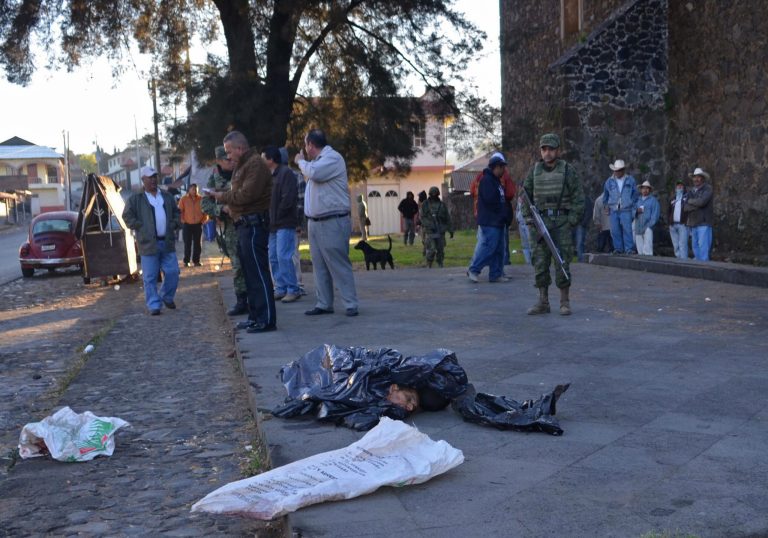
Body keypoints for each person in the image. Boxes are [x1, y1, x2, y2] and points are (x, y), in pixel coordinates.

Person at [207, 131, 276, 333]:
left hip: (254, 225)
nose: (228, 156)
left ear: (239, 148)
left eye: (229, 151)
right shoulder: (243, 166)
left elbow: (247, 194)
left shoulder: (255, 164)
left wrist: (222, 196)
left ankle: (267, 319)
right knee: (249, 275)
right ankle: (255, 316)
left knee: (258, 275)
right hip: (243, 225)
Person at [294, 129, 359, 317]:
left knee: (338, 263)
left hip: (332, 220)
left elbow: (314, 174)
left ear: (311, 145)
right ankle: (324, 303)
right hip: (315, 222)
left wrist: (300, 161)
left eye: (306, 145)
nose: (304, 150)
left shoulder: (332, 158)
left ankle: (350, 303)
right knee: (319, 265)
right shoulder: (317, 161)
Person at [522, 133, 584, 316]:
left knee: (562, 261)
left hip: (560, 224)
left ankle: (565, 302)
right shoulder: (534, 171)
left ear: (558, 150)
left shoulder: (567, 170)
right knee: (540, 263)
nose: (547, 153)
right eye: (544, 149)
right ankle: (543, 302)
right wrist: (528, 218)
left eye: (551, 149)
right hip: (539, 225)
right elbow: (524, 197)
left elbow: (579, 198)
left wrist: (571, 220)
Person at [123, 166, 181, 315]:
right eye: (150, 177)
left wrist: (174, 224)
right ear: (143, 179)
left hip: (167, 242)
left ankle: (166, 296)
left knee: (173, 272)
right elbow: (127, 216)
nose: (153, 179)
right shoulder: (136, 198)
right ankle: (154, 305)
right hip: (148, 244)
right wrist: (140, 227)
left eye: (155, 176)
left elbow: (176, 213)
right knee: (149, 277)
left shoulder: (167, 196)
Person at [201, 146, 247, 315]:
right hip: (230, 229)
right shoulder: (214, 179)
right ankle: (242, 300)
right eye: (227, 159)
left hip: (248, 222)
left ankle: (256, 298)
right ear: (219, 161)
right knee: (237, 265)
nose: (231, 161)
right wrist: (221, 210)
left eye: (232, 158)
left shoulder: (242, 173)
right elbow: (205, 204)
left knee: (252, 263)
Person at [261, 145, 301, 303]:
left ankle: (293, 288)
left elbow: (288, 198)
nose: (261, 160)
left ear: (271, 159)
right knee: (273, 257)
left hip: (284, 222)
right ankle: (281, 287)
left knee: (283, 256)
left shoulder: (286, 174)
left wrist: (278, 215)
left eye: (263, 157)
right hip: (273, 225)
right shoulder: (270, 176)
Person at [467, 152, 511, 282]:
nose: (504, 170)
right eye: (502, 167)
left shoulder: (496, 182)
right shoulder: (487, 181)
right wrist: (502, 213)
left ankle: (496, 274)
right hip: (490, 221)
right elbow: (491, 201)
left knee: (499, 249)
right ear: (496, 167)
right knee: (489, 248)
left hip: (498, 221)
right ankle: (474, 269)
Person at [602, 159, 638, 254]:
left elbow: (635, 195)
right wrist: (606, 206)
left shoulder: (630, 180)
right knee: (615, 230)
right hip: (613, 209)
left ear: (623, 170)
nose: (617, 172)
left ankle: (629, 249)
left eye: (619, 170)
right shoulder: (609, 182)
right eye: (616, 170)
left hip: (626, 208)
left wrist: (632, 206)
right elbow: (605, 195)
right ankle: (618, 249)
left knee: (627, 230)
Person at [420, 186, 454, 268]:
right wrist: (429, 225)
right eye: (432, 194)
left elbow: (447, 218)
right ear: (430, 194)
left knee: (440, 249)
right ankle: (429, 262)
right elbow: (422, 217)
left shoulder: (442, 205)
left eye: (435, 194)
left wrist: (450, 230)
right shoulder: (425, 204)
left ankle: (440, 263)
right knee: (431, 248)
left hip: (440, 230)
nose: (434, 196)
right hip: (430, 230)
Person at [685, 167, 714, 261]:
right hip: (693, 223)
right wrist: (695, 203)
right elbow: (685, 207)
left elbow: (702, 202)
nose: (696, 179)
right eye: (694, 177)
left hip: (704, 222)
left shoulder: (708, 189)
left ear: (702, 178)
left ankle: (705, 270)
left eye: (698, 177)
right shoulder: (691, 191)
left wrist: (690, 201)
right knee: (695, 247)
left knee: (703, 248)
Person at [177, 183, 205, 267]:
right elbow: (180, 211)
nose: (194, 191)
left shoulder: (201, 199)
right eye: (193, 189)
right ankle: (186, 261)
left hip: (198, 224)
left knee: (198, 244)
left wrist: (203, 220)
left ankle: (196, 261)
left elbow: (205, 211)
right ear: (189, 190)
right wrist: (182, 220)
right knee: (187, 243)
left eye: (196, 189)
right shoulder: (184, 199)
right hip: (187, 224)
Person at [633, 180, 660, 255]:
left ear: (650, 190)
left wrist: (649, 226)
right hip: (638, 226)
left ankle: (649, 265)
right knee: (639, 249)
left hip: (648, 227)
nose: (645, 190)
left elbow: (655, 215)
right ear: (641, 189)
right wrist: (636, 211)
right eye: (643, 188)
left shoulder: (653, 201)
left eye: (647, 188)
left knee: (648, 249)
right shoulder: (637, 200)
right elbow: (631, 211)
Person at [668, 179, 689, 259]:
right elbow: (668, 211)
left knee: (682, 244)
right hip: (673, 225)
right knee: (676, 245)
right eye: (678, 185)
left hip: (683, 224)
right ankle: (678, 260)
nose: (679, 187)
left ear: (684, 187)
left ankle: (684, 262)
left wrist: (687, 221)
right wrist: (669, 223)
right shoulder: (672, 198)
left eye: (681, 185)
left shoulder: (687, 197)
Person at [572, 193, 591, 262]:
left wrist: (583, 223)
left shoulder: (586, 199)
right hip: (572, 224)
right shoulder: (572, 199)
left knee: (580, 243)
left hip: (580, 225)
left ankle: (581, 260)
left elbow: (589, 211)